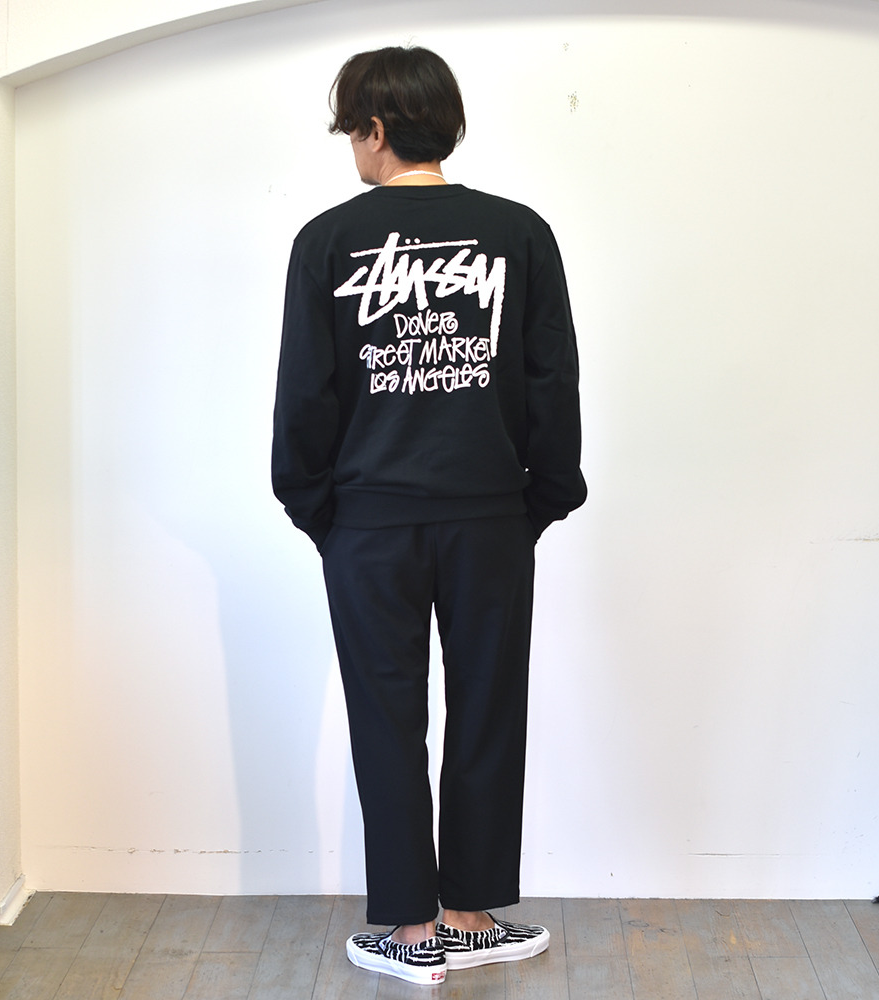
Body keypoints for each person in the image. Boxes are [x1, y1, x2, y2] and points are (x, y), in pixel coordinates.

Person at [272, 45, 587, 987]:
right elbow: (552, 380)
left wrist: (318, 510)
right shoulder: (518, 233)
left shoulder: (327, 242)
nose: (352, 149)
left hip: (369, 527)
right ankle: (470, 914)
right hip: (489, 518)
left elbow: (306, 393)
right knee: (490, 708)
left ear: (375, 130)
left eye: (352, 132)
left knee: (385, 718)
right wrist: (539, 499)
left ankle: (412, 931)